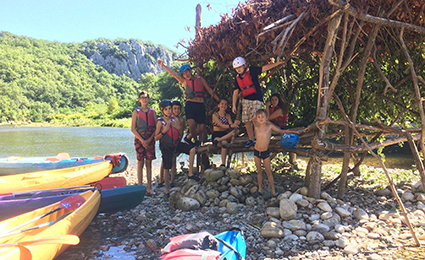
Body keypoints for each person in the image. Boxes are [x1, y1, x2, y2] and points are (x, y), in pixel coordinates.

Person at [157, 58, 219, 146]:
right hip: (190, 104)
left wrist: (219, 100)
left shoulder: (200, 79)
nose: (186, 75)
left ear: (190, 71)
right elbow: (173, 73)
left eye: (187, 72)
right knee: (191, 125)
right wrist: (163, 65)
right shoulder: (184, 82)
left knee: (201, 128)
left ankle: (188, 137)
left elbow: (209, 90)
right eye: (184, 74)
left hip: (200, 105)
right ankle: (196, 141)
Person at [232, 57, 285, 147]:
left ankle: (258, 138)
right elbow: (235, 92)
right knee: (246, 121)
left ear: (244, 65)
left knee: (256, 119)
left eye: (240, 67)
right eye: (236, 68)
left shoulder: (252, 70)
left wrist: (277, 63)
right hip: (246, 100)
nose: (238, 69)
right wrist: (234, 105)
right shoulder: (237, 78)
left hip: (256, 99)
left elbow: (264, 68)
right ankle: (251, 139)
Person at [252, 109, 297, 197]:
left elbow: (281, 131)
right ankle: (260, 189)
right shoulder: (256, 126)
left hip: (265, 152)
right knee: (259, 171)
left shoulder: (270, 127)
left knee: (268, 172)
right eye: (259, 117)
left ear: (266, 118)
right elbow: (252, 117)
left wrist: (294, 132)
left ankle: (273, 191)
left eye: (263, 117)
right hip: (256, 151)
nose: (261, 119)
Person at [158, 100, 199, 186]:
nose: (176, 111)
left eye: (178, 109)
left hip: (176, 142)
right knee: (166, 161)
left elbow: (181, 133)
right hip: (166, 144)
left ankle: (182, 177)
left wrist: (178, 129)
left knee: (189, 152)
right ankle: (160, 181)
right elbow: (160, 134)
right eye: (174, 109)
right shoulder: (165, 119)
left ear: (180, 110)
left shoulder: (180, 120)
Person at [131, 91, 157, 195]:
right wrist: (142, 141)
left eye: (146, 97)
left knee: (149, 163)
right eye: (142, 98)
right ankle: (141, 187)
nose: (144, 99)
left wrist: (149, 140)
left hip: (150, 139)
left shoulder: (153, 112)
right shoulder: (136, 112)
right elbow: (133, 129)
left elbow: (156, 128)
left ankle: (150, 187)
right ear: (139, 100)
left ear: (149, 99)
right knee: (140, 162)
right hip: (139, 139)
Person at [155, 99, 181, 198]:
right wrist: (164, 131)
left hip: (175, 145)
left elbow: (180, 133)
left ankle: (174, 181)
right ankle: (166, 190)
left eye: (170, 109)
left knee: (191, 150)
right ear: (162, 110)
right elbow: (156, 137)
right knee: (166, 168)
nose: (169, 111)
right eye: (166, 109)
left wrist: (177, 127)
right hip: (166, 147)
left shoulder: (175, 119)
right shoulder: (160, 122)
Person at [211, 99, 240, 167]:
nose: (224, 105)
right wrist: (231, 125)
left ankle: (219, 140)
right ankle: (223, 164)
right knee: (224, 143)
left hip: (224, 135)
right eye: (222, 104)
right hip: (216, 134)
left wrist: (235, 123)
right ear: (218, 105)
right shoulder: (215, 115)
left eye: (225, 104)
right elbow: (221, 125)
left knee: (236, 131)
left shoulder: (227, 116)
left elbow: (231, 126)